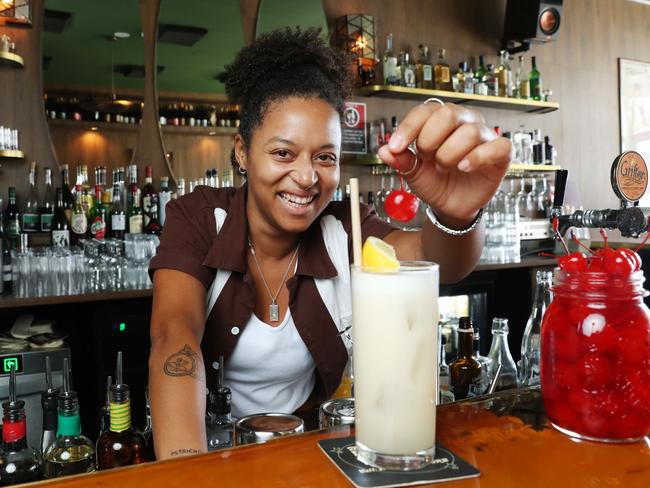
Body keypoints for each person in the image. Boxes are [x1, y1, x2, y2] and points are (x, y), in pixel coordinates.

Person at [148, 27, 511, 460]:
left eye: (325, 157)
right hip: (212, 449)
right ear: (242, 152)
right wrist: (187, 471)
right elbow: (175, 336)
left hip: (309, 450)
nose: (307, 177)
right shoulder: (200, 218)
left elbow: (437, 263)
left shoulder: (343, 225)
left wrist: (457, 213)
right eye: (283, 153)